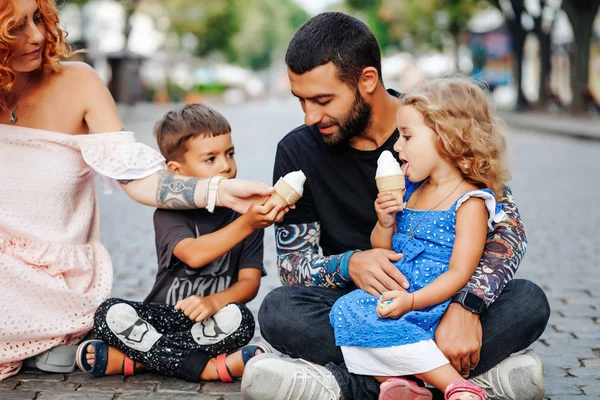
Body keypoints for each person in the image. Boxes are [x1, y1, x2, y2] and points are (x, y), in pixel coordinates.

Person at [241, 12, 550, 400]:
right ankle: (459, 382)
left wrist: (467, 306)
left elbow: (509, 232)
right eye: (301, 100)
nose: (310, 116)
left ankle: (344, 386)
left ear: (367, 80)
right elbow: (291, 267)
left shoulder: (433, 123)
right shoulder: (296, 150)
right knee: (279, 311)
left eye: (322, 100)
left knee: (528, 301)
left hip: (441, 297)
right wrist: (350, 263)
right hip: (363, 304)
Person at [0, 0, 276, 381]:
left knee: (236, 320)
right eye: (15, 28)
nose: (37, 35)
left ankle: (129, 355)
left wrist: (218, 192)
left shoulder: (78, 82)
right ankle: (197, 366)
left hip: (55, 283)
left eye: (38, 18)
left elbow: (139, 177)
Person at [75, 103, 284, 382]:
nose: (226, 165)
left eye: (229, 153)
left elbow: (249, 283)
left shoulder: (245, 214)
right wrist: (248, 223)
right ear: (177, 170)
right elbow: (194, 255)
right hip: (161, 317)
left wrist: (213, 302)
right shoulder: (169, 214)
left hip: (207, 322)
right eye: (211, 159)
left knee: (242, 320)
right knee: (107, 313)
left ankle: (140, 361)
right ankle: (208, 368)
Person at [332, 77, 510, 400]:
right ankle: (409, 385)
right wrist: (384, 221)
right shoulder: (411, 189)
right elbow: (382, 249)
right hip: (395, 296)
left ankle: (456, 386)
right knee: (344, 312)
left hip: (432, 304)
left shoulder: (470, 201)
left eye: (407, 136)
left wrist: (413, 301)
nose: (397, 146)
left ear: (447, 138)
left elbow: (460, 273)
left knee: (367, 333)